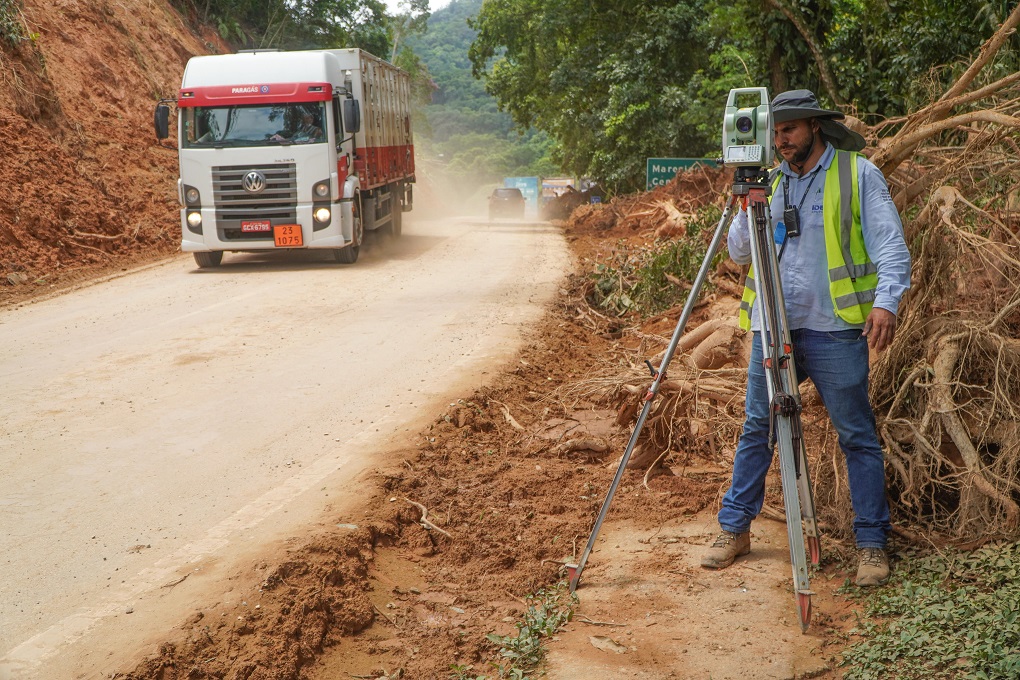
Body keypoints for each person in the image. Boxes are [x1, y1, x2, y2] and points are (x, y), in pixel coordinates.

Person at [700, 89, 912, 586]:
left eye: (789, 129)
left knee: (856, 437)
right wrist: (746, 193)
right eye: (774, 131)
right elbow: (738, 255)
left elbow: (890, 245)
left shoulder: (857, 174)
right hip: (774, 329)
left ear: (815, 125)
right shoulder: (769, 181)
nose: (780, 140)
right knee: (757, 429)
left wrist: (886, 302)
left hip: (835, 329)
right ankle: (735, 529)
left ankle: (872, 545)